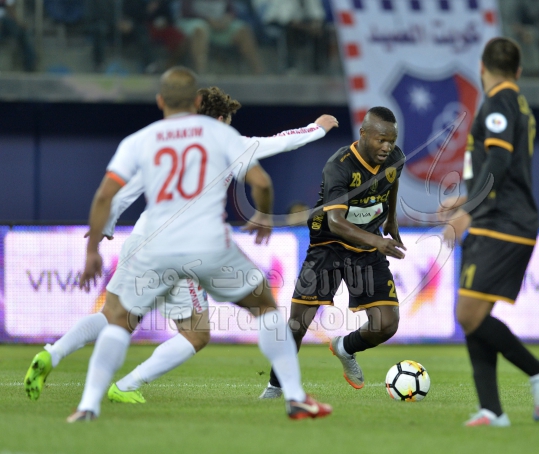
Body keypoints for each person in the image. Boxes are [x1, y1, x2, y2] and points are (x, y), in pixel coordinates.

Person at [24, 83, 338, 406]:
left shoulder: (163, 144)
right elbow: (280, 142)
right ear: (220, 119)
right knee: (196, 334)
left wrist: (106, 225)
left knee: (112, 315)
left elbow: (127, 187)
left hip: (142, 237)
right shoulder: (229, 144)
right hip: (184, 248)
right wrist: (317, 128)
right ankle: (128, 384)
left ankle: (53, 353)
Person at [438, 37, 539, 427]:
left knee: (467, 313)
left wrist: (468, 211)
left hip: (502, 222)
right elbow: (500, 167)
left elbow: (500, 160)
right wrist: (464, 197)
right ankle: (492, 410)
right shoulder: (516, 101)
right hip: (498, 217)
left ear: (482, 67)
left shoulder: (499, 100)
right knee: (473, 315)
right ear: (519, 70)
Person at [260, 106, 406, 399]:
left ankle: (345, 347)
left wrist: (390, 219)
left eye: (391, 141)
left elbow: (392, 181)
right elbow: (336, 222)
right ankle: (275, 386)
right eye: (380, 140)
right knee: (298, 323)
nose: (387, 147)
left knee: (387, 325)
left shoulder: (395, 158)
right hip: (328, 245)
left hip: (366, 247)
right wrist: (378, 241)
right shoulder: (339, 166)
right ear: (363, 134)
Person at [0, 0, 36, 72]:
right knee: (21, 33)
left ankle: (30, 61)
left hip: (4, 23)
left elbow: (10, 7)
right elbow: (10, 8)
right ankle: (30, 62)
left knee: (22, 34)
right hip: (3, 22)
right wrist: (19, 23)